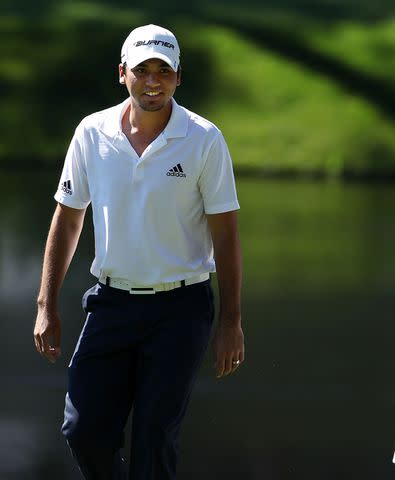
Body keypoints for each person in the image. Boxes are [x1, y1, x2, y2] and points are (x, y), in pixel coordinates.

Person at [33, 24, 244, 479]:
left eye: (164, 72)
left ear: (178, 78)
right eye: (143, 70)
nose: (153, 81)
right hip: (111, 304)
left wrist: (231, 322)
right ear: (122, 72)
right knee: (83, 429)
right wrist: (46, 304)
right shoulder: (92, 132)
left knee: (154, 439)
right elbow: (68, 219)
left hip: (181, 309)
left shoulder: (204, 139)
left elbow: (226, 235)